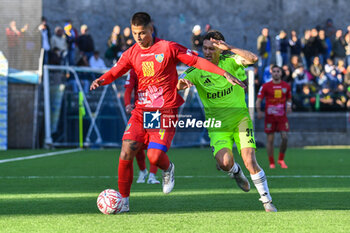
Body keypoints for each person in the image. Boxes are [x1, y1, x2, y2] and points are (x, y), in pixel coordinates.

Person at [90, 12, 245, 213]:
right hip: (141, 111)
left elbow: (197, 61)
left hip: (164, 112)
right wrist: (102, 79)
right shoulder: (131, 53)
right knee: (127, 149)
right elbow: (116, 71)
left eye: (142, 32)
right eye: (135, 33)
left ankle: (168, 168)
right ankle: (124, 202)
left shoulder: (167, 48)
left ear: (151, 29)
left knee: (154, 156)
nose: (138, 37)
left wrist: (224, 73)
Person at [177, 30, 277, 212]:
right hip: (217, 127)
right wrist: (180, 85)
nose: (206, 52)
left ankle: (267, 201)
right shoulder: (197, 69)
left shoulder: (231, 61)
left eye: (211, 48)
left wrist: (229, 48)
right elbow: (179, 81)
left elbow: (253, 59)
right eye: (204, 48)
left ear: (220, 47)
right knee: (224, 163)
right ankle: (235, 171)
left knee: (250, 160)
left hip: (240, 120)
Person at [124, 69, 160, 184]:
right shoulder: (134, 71)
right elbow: (128, 90)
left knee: (154, 144)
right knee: (136, 144)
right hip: (138, 112)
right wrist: (127, 104)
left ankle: (152, 176)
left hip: (153, 111)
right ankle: (143, 171)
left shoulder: (157, 68)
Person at [256, 65, 292, 169]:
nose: (276, 73)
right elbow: (258, 100)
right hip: (270, 117)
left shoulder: (286, 86)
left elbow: (289, 99)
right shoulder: (266, 86)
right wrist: (258, 111)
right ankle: (271, 162)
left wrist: (289, 107)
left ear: (281, 73)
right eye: (274, 71)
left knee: (285, 138)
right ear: (271, 73)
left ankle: (281, 159)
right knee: (270, 140)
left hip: (282, 117)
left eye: (278, 71)